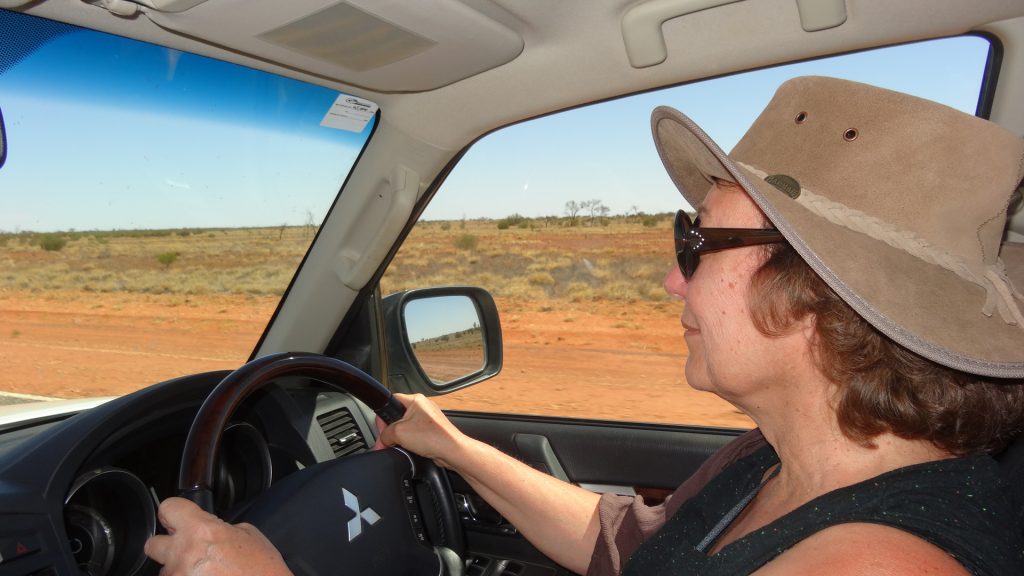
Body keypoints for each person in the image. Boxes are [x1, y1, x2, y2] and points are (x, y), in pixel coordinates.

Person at [144, 76, 1024, 575]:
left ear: (817, 295)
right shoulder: (782, 459)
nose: (674, 278)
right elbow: (631, 546)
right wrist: (454, 448)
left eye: (700, 240)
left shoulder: (878, 565)